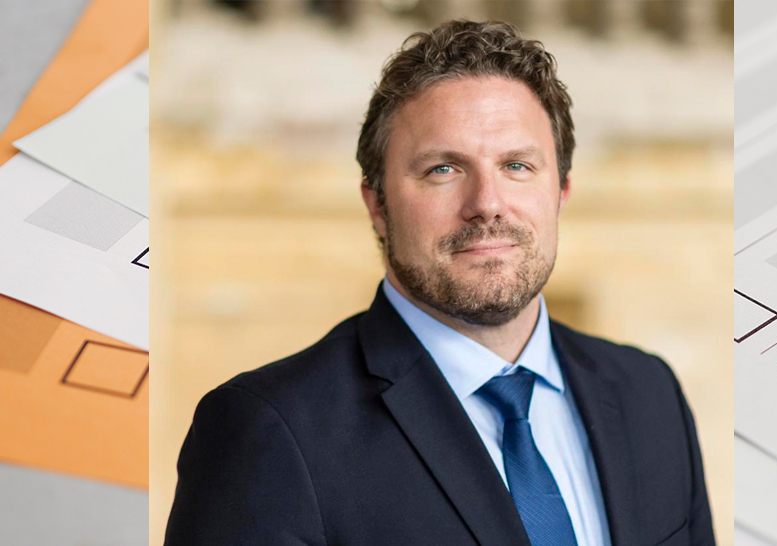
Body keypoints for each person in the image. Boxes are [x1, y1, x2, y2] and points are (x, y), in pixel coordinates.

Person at [164, 20, 715, 546]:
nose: (488, 204)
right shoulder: (269, 430)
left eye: (517, 166)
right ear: (377, 204)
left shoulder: (649, 393)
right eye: (442, 169)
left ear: (561, 192)